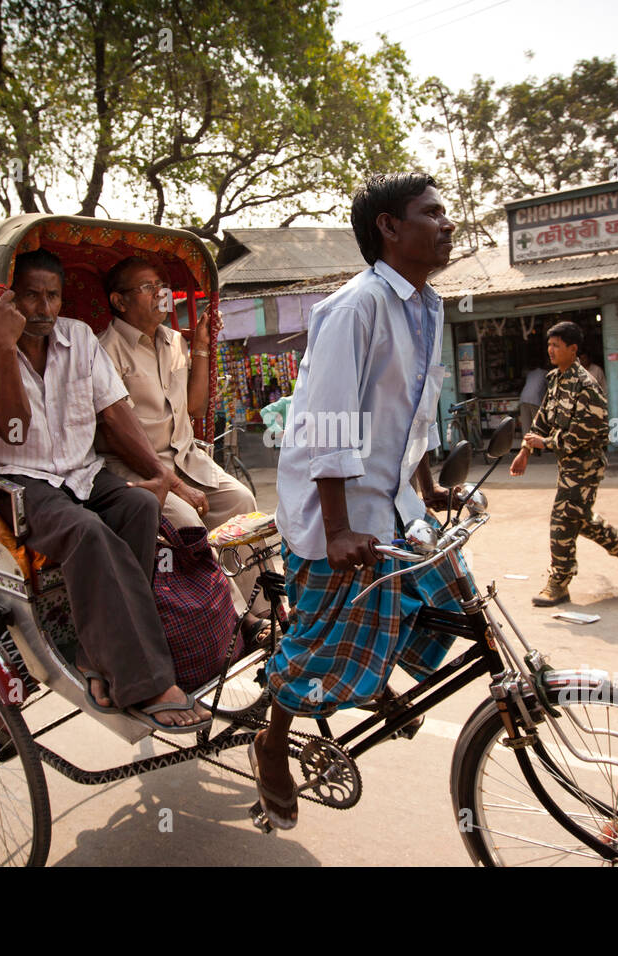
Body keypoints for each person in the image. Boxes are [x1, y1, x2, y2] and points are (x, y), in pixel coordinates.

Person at [250, 171, 463, 829]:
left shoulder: (426, 305)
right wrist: (339, 530)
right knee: (314, 646)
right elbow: (329, 421)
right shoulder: (354, 307)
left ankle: (370, 681)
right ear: (390, 228)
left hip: (396, 502)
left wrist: (428, 489)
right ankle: (272, 740)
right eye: (431, 213)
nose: (447, 223)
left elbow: (411, 410)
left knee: (451, 604)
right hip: (333, 513)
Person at [0, 248, 211, 733]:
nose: (44, 308)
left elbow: (115, 413)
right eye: (30, 296)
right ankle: (147, 681)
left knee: (138, 506)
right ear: (8, 299)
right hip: (24, 482)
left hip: (83, 472)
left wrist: (164, 477)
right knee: (88, 532)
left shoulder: (77, 338)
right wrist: (4, 349)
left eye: (52, 296)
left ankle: (96, 657)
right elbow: (10, 430)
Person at [97, 256, 267, 638]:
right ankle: (241, 620)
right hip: (139, 468)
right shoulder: (104, 351)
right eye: (147, 287)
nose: (160, 294)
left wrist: (202, 345)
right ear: (119, 301)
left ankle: (268, 607)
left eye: (162, 285)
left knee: (241, 501)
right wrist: (172, 483)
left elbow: (194, 407)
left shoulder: (174, 340)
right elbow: (115, 432)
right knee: (188, 526)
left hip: (187, 459)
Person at [510, 320, 618, 607]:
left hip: (585, 467)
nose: (550, 350)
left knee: (561, 522)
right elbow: (543, 419)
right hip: (568, 466)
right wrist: (525, 449)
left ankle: (559, 583)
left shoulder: (587, 388)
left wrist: (544, 444)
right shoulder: (556, 380)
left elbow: (578, 438)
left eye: (556, 346)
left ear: (573, 350)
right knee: (579, 520)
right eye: (549, 345)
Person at [518, 362, 547, 437]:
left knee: (526, 426)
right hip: (535, 400)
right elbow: (550, 388)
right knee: (537, 425)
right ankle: (536, 445)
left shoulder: (530, 373)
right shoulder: (545, 373)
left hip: (523, 399)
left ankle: (526, 445)